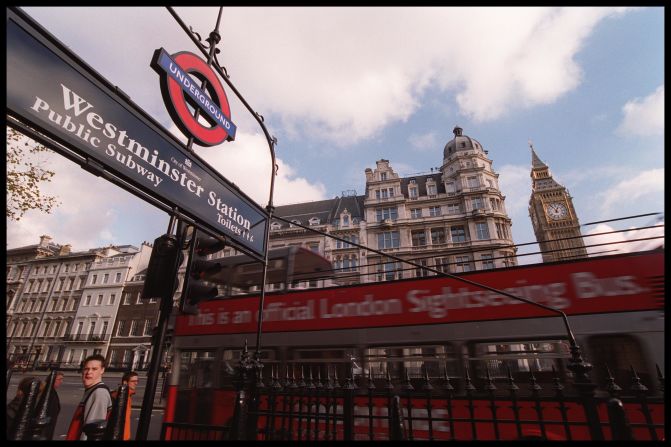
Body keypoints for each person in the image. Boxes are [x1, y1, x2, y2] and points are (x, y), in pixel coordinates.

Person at [65, 354, 112, 440]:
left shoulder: (99, 393)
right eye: (86, 368)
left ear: (102, 370)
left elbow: (91, 432)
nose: (89, 372)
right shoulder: (92, 390)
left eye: (94, 369)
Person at [110, 371, 139, 440]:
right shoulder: (120, 396)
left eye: (137, 381)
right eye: (133, 381)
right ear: (125, 382)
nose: (136, 383)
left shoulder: (128, 395)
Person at [40, 371, 64, 440]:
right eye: (59, 379)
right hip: (45, 427)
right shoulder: (48, 392)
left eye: (62, 379)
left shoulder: (51, 391)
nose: (61, 382)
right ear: (52, 379)